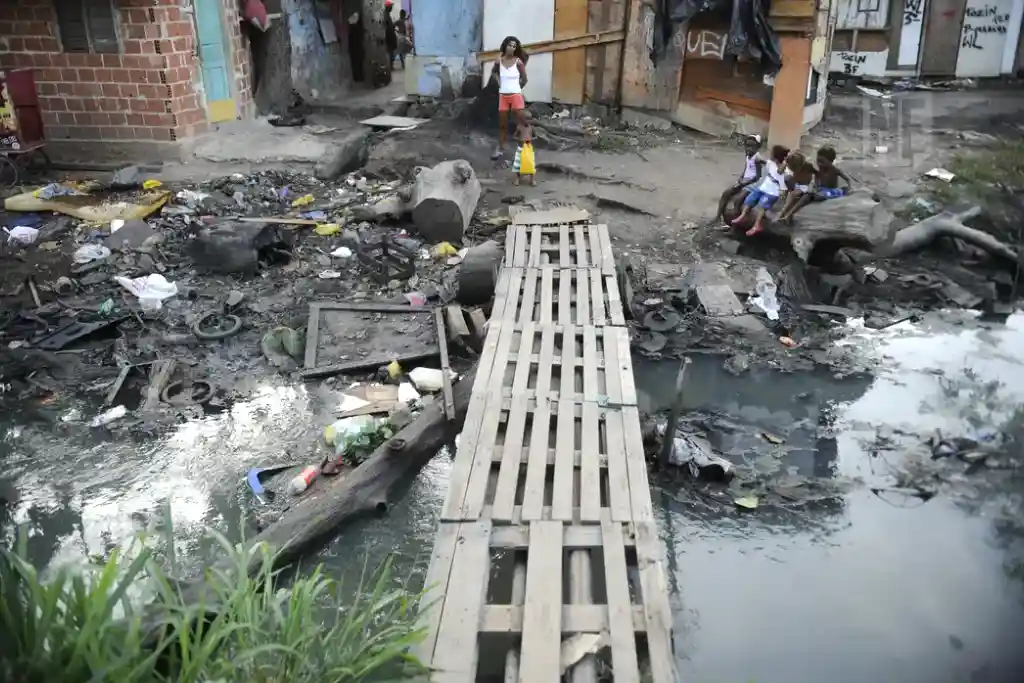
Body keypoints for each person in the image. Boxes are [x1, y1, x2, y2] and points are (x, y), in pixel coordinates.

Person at [779, 145, 854, 223]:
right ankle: (789, 215)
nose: (819, 164)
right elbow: (816, 180)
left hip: (830, 191)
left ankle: (789, 214)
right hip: (821, 190)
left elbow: (847, 179)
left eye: (822, 161)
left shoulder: (834, 170)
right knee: (806, 195)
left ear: (830, 161)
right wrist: (816, 186)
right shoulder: (819, 170)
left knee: (813, 195)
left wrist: (849, 187)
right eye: (818, 161)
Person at [730, 144, 788, 236]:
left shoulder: (784, 169)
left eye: (771, 153)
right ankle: (743, 216)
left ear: (776, 158)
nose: (769, 154)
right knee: (750, 199)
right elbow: (765, 162)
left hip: (772, 192)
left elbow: (780, 171)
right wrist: (761, 161)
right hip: (763, 188)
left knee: (762, 206)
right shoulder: (770, 162)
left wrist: (785, 162)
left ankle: (757, 225)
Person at [489, 36, 528, 159]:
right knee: (502, 125)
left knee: (520, 123)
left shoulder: (518, 62)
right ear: (505, 46)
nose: (511, 48)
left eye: (514, 46)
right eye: (509, 45)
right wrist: (499, 83)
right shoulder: (498, 61)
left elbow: (525, 79)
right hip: (503, 97)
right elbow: (494, 72)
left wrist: (517, 88)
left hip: (516, 96)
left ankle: (522, 149)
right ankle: (501, 148)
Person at [716, 134, 764, 223]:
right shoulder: (748, 156)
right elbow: (746, 169)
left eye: (752, 146)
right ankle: (718, 217)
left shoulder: (757, 158)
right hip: (744, 181)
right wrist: (740, 179)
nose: (748, 149)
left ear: (757, 147)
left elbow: (757, 177)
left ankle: (734, 226)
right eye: (747, 146)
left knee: (738, 201)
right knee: (726, 193)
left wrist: (745, 183)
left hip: (752, 184)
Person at [776, 150, 815, 224]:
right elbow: (779, 172)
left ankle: (782, 213)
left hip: (805, 186)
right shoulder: (790, 161)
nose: (794, 170)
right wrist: (785, 163)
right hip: (797, 184)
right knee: (786, 178)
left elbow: (813, 179)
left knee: (793, 195)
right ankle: (783, 212)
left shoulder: (808, 166)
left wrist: (811, 186)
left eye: (795, 169)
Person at [512, 110, 536, 186]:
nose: (529, 121)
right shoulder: (519, 127)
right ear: (521, 119)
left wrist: (531, 139)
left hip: (529, 148)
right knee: (518, 165)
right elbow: (514, 136)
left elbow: (535, 136)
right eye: (527, 119)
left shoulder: (531, 128)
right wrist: (520, 139)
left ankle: (532, 179)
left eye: (530, 119)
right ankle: (518, 179)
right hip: (520, 148)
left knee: (531, 164)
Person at [383, 1, 398, 71]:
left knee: (391, 51)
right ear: (388, 7)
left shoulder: (387, 15)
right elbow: (387, 27)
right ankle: (390, 66)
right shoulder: (385, 15)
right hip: (389, 37)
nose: (391, 8)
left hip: (390, 36)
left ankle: (391, 66)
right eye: (391, 6)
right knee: (390, 52)